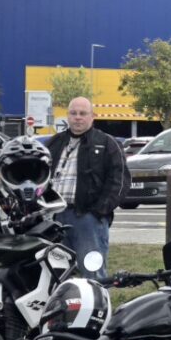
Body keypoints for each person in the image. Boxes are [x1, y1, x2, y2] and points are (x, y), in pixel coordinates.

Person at [47, 97, 128, 279]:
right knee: (55, 274)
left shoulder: (107, 143)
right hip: (55, 219)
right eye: (73, 113)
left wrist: (99, 211)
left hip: (88, 220)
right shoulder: (54, 143)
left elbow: (120, 180)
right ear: (67, 116)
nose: (77, 118)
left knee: (92, 274)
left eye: (83, 113)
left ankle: (97, 306)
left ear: (93, 117)